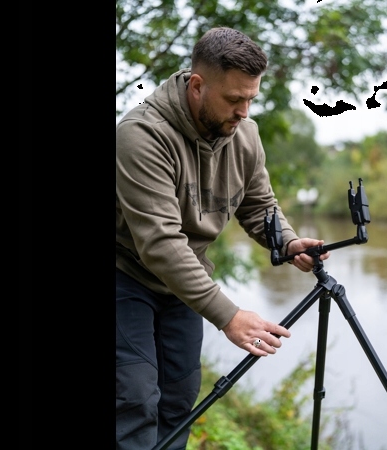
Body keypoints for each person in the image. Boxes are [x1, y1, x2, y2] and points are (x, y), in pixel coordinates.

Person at [116, 27, 330, 450]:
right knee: (134, 398)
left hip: (184, 285)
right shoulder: (140, 136)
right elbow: (161, 244)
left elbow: (259, 204)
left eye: (251, 99)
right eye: (234, 99)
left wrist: (287, 243)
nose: (244, 112)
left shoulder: (244, 134)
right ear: (197, 86)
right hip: (126, 276)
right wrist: (229, 316)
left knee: (179, 402)